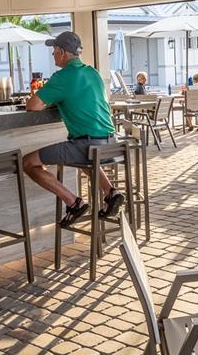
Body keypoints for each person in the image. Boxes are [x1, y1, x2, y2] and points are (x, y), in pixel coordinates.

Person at [23, 31, 124, 226]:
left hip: (88, 144)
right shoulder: (92, 72)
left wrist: (51, 97)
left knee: (28, 163)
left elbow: (32, 106)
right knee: (82, 157)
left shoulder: (63, 77)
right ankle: (110, 192)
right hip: (110, 142)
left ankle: (73, 202)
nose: (52, 54)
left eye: (54, 50)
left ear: (62, 51)